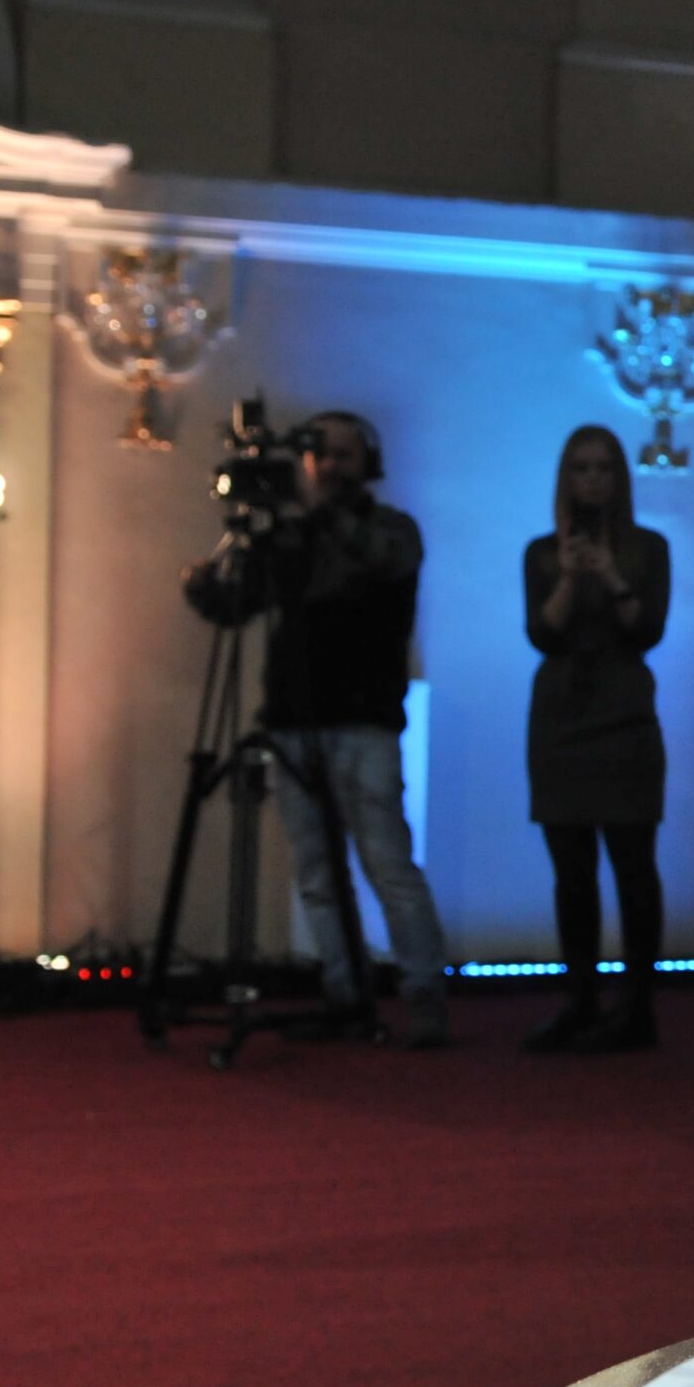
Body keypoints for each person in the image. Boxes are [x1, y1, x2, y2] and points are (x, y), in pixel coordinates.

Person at [187, 410, 454, 1048]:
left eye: (343, 454)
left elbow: (380, 562)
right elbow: (240, 606)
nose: (330, 466)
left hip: (364, 722)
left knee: (388, 866)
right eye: (320, 455)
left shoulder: (392, 530)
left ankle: (423, 994)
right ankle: (344, 995)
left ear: (368, 463)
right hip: (294, 722)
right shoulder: (289, 538)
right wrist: (204, 588)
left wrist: (317, 517)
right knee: (316, 874)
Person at [521, 425, 672, 1053]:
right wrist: (566, 576)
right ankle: (579, 1000)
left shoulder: (648, 548)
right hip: (560, 719)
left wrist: (610, 575)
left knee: (634, 868)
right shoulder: (540, 552)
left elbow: (648, 630)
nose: (592, 480)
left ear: (619, 477)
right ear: (566, 478)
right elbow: (541, 634)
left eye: (603, 468)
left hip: (625, 716)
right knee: (571, 873)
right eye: (581, 469)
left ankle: (637, 1007)